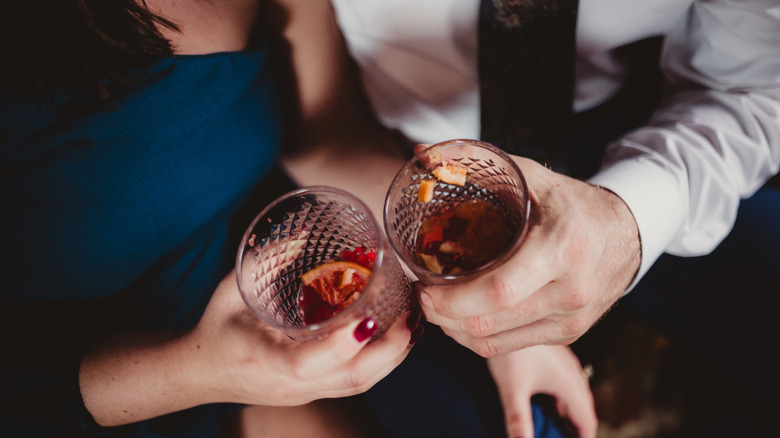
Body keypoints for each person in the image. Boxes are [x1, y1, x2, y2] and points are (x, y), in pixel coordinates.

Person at [1, 1, 596, 437]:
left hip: (288, 303)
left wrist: (482, 297)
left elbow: (327, 138)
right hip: (94, 388)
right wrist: (194, 371)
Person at [328, 0, 780, 435]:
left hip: (640, 140)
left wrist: (629, 217)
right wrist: (486, 309)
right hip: (411, 178)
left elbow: (750, 87)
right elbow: (322, 128)